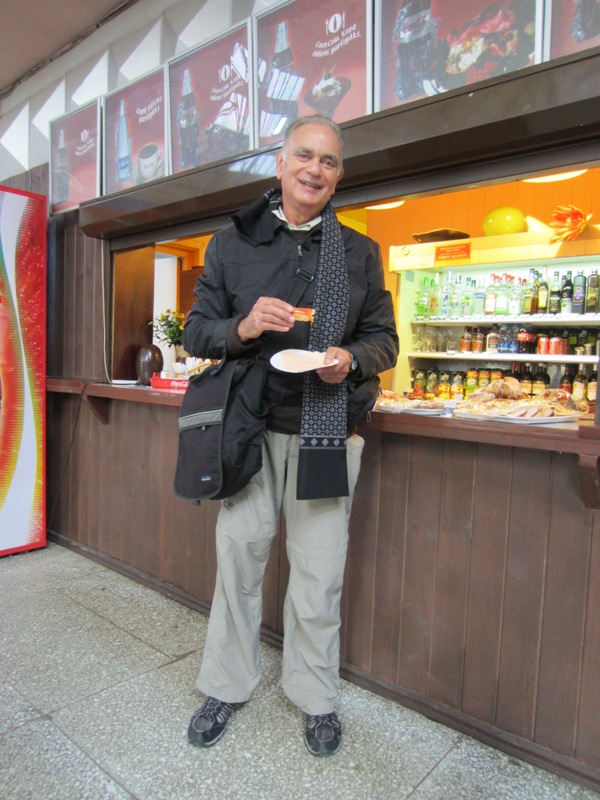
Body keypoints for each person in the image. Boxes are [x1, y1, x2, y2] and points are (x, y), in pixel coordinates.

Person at [183, 114, 398, 757]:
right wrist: (242, 328)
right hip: (247, 431)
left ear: (338, 177)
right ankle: (226, 684)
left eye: (328, 162)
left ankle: (314, 696)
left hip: (326, 428)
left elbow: (383, 341)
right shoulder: (233, 243)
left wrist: (349, 360)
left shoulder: (358, 251)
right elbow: (197, 331)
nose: (314, 169)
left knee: (318, 572)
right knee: (239, 561)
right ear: (279, 164)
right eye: (304, 156)